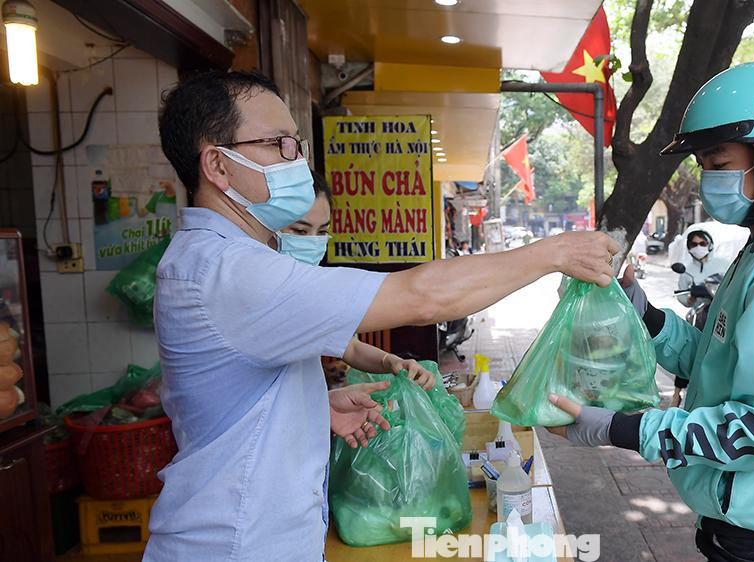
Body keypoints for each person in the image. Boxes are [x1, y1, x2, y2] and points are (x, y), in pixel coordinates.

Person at [147, 70, 618, 561]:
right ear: (219, 167)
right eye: (280, 144)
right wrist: (553, 253)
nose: (297, 160)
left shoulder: (224, 260)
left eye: (297, 143)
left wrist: (309, 408)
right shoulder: (228, 272)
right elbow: (421, 297)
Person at [545, 62, 754, 562]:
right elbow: (715, 361)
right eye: (703, 164)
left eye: (718, 161)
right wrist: (635, 307)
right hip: (747, 530)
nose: (708, 179)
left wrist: (619, 427)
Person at [277, 171, 438, 392]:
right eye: (300, 231)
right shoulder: (257, 289)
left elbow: (349, 346)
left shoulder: (312, 284)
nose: (313, 241)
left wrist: (391, 362)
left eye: (322, 231)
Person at [676, 229, 729, 309]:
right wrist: (691, 299)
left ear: (710, 245)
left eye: (702, 244)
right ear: (689, 247)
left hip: (723, 310)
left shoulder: (723, 264)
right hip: (699, 314)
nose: (698, 247)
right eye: (694, 244)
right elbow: (682, 295)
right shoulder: (687, 271)